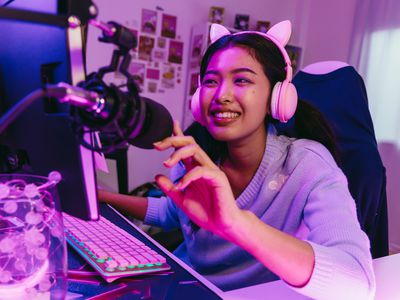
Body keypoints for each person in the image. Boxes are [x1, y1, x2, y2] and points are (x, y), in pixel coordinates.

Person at [99, 21, 375, 299]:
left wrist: (236, 223)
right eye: (210, 81)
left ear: (278, 96)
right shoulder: (197, 157)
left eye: (242, 80)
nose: (222, 96)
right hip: (184, 284)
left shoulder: (306, 165)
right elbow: (171, 213)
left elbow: (357, 283)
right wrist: (99, 196)